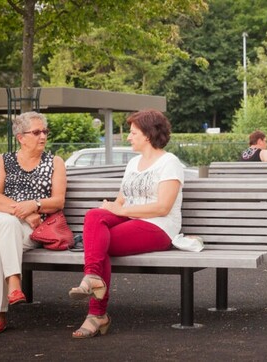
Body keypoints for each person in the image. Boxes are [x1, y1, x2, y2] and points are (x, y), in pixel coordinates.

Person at [69, 109, 184, 339]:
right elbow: (121, 199)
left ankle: (97, 313)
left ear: (148, 134)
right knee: (94, 215)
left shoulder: (170, 163)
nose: (128, 137)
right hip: (130, 217)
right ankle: (92, 277)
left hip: (158, 226)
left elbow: (162, 207)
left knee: (102, 245)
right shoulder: (133, 163)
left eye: (133, 132)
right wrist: (110, 207)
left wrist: (122, 210)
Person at [0, 111, 66, 334]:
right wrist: (24, 212)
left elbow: (58, 201)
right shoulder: (3, 160)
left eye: (45, 131)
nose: (43, 136)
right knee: (8, 225)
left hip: (33, 229)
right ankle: (15, 283)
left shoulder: (54, 162)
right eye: (36, 132)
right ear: (21, 137)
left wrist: (36, 206)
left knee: (2, 249)